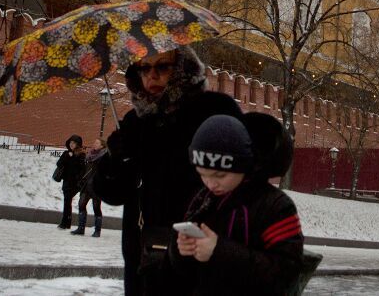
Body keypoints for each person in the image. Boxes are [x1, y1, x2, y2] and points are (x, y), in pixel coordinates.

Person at [94, 47, 243, 296]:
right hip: (144, 259)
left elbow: (243, 174)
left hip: (198, 255)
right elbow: (112, 193)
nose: (152, 76)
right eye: (145, 68)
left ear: (182, 69)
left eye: (162, 67)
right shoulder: (134, 121)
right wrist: (114, 159)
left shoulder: (214, 110)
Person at [169, 114, 303, 295]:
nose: (210, 183)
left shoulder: (275, 206)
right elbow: (185, 275)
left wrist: (219, 252)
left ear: (244, 166)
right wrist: (181, 251)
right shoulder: (204, 198)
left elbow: (286, 273)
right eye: (202, 174)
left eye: (220, 175)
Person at [71, 138, 107, 237]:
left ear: (102, 146)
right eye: (94, 142)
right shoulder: (89, 155)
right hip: (86, 184)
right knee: (81, 204)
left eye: (97, 143)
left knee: (96, 207)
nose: (94, 144)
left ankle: (97, 230)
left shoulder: (104, 157)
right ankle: (81, 228)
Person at [56, 134, 85, 229]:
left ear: (78, 144)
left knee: (67, 201)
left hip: (75, 183)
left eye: (74, 143)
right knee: (67, 201)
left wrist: (73, 157)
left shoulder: (81, 154)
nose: (72, 144)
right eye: (71, 142)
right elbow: (59, 164)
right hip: (66, 181)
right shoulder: (66, 153)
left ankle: (65, 223)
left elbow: (81, 168)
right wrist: (67, 157)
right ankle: (66, 222)